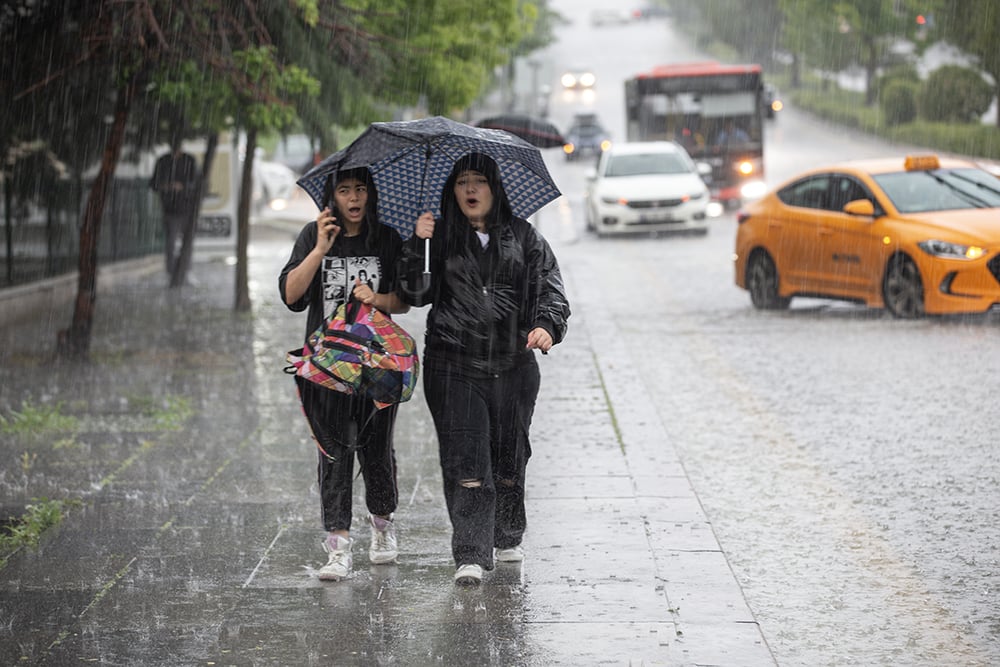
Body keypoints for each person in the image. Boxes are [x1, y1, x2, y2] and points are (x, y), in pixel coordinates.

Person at [398, 152, 571, 586]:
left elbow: (551, 289)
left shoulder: (525, 238)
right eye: (462, 182)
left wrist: (546, 326)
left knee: (510, 458)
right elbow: (414, 293)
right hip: (453, 366)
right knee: (468, 459)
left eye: (479, 181)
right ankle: (471, 553)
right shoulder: (437, 238)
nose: (470, 190)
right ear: (451, 191)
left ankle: (507, 534)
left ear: (495, 189)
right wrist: (416, 244)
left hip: (513, 366)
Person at [278, 167, 410, 581]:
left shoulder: (386, 239)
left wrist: (378, 297)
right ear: (332, 196)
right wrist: (319, 249)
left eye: (360, 190)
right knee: (333, 451)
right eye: (344, 190)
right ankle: (338, 546)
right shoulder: (312, 235)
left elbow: (404, 302)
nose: (353, 198)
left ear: (370, 195)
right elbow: (290, 294)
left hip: (377, 365)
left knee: (376, 448)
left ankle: (383, 527)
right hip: (326, 366)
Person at [150, 135, 200, 287]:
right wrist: (166, 186)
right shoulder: (163, 162)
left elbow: (196, 183)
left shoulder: (189, 161)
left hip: (187, 209)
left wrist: (183, 187)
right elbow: (154, 183)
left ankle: (186, 270)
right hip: (170, 209)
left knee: (187, 243)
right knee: (171, 242)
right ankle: (171, 273)